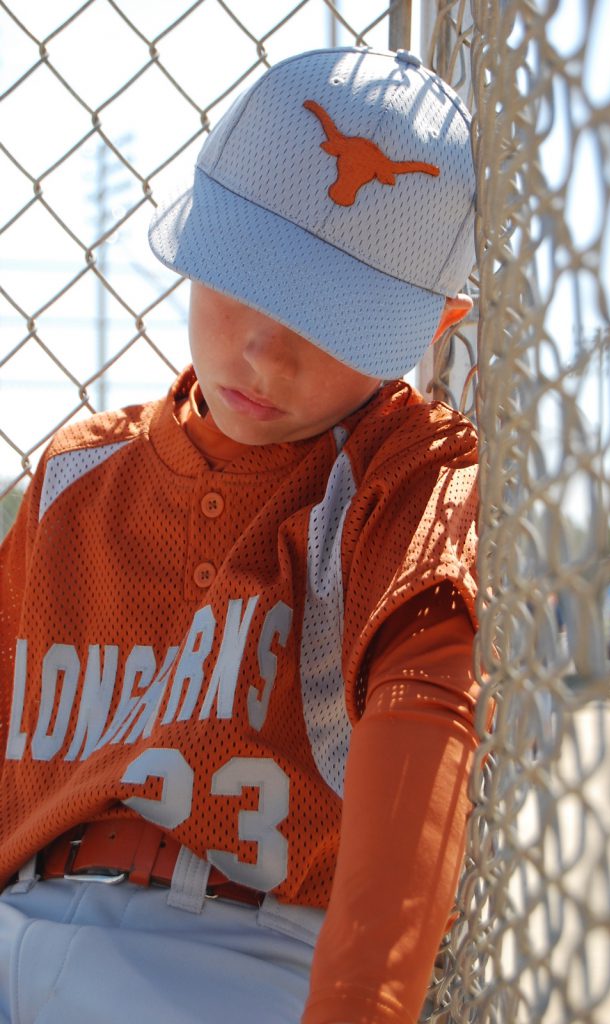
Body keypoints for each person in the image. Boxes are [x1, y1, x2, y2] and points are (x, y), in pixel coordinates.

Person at [0, 46, 480, 1024]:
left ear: (436, 323)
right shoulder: (79, 472)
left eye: (327, 314)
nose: (264, 349)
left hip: (241, 946)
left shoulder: (407, 471)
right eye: (240, 278)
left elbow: (426, 714)